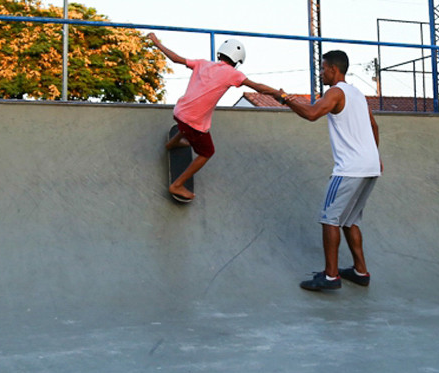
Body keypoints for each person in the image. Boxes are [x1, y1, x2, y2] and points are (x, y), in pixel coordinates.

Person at [277, 50, 382, 291]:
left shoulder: (335, 92)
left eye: (323, 68)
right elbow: (374, 126)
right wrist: (374, 157)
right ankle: (360, 271)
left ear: (334, 69)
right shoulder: (357, 94)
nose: (321, 72)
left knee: (329, 219)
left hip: (350, 169)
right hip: (370, 167)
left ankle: (331, 276)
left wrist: (286, 99)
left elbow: (313, 114)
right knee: (349, 221)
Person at [148, 33, 280, 201]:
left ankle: (173, 143)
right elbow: (257, 86)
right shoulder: (233, 74)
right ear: (237, 62)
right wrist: (278, 93)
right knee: (207, 152)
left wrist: (156, 41)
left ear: (220, 53)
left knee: (188, 123)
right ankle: (177, 185)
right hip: (193, 122)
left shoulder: (202, 64)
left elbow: (175, 58)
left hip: (179, 112)